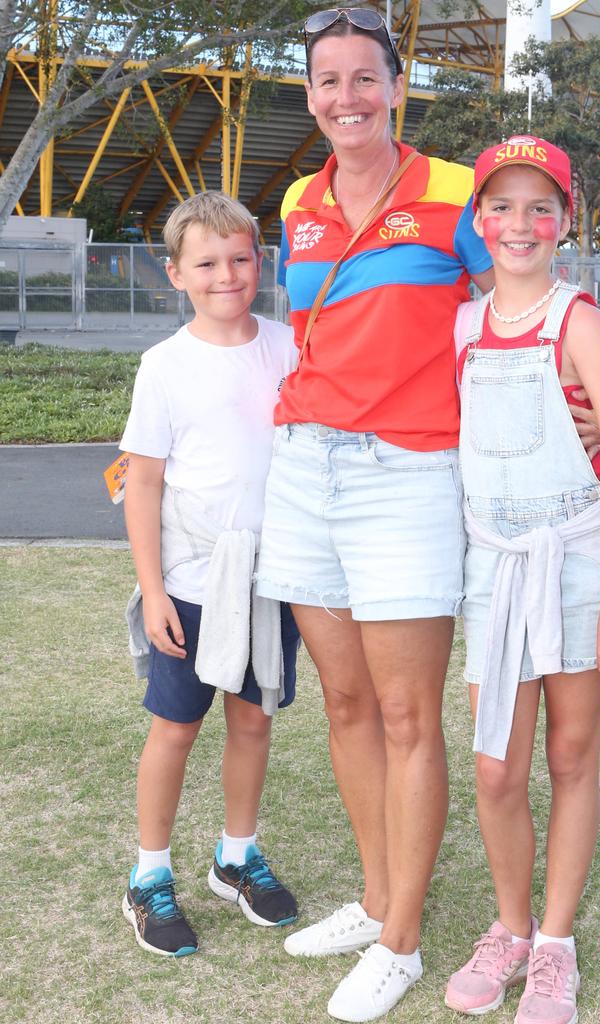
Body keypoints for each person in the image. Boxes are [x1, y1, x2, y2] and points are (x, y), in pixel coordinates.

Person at [256, 11, 600, 1021]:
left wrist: (578, 385)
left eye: (367, 79)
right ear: (310, 94)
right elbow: (314, 329)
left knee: (408, 715)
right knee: (347, 703)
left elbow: (520, 292)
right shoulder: (297, 200)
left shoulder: (452, 192)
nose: (347, 98)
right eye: (328, 81)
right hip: (302, 463)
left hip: (405, 471)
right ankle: (374, 899)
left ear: (397, 88)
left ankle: (402, 941)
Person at [444, 137, 600, 1023]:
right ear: (478, 219)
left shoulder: (581, 322)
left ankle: (555, 946)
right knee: (496, 770)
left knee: (570, 756)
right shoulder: (461, 322)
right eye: (501, 206)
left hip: (572, 567)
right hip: (496, 570)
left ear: (564, 223)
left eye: (539, 208)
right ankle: (510, 928)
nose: (518, 224)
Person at [120, 191, 300, 958]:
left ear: (260, 261)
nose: (226, 275)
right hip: (192, 582)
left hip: (271, 576)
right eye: (206, 263)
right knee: (176, 727)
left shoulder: (290, 346)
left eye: (240, 258)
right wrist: (155, 591)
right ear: (175, 274)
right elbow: (146, 484)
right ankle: (148, 876)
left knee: (253, 720)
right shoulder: (164, 366)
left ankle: (235, 857)